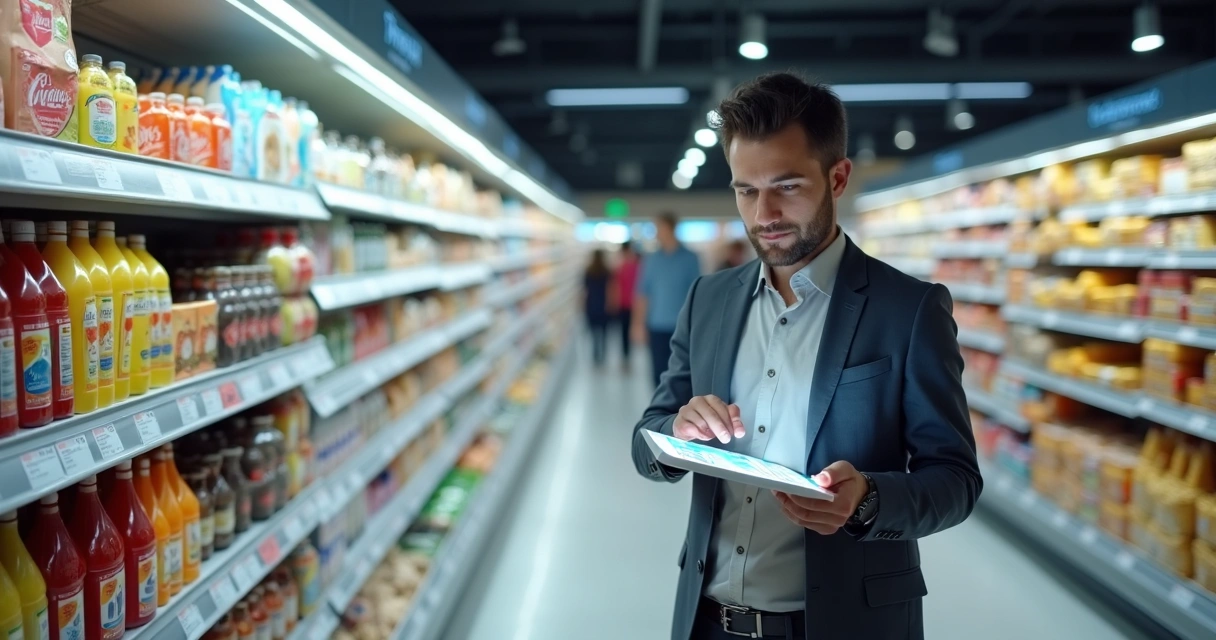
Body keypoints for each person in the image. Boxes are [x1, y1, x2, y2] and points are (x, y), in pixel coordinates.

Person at [630, 72, 981, 640]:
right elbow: (647, 439)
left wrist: (868, 500)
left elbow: (956, 481)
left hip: (845, 622)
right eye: (746, 190)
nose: (763, 212)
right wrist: (676, 432)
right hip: (709, 620)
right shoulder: (710, 298)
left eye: (787, 186)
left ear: (837, 177)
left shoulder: (908, 310)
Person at [632, 212, 701, 387]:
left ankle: (679, 412)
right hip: (656, 325)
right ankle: (660, 412)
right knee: (657, 374)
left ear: (670, 228)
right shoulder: (652, 260)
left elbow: (697, 294)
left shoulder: (690, 258)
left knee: (681, 374)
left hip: (682, 327)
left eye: (658, 228)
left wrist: (698, 325)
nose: (655, 233)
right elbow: (643, 294)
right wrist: (638, 324)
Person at [613, 242, 640, 368]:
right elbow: (616, 287)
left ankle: (627, 356)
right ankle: (626, 357)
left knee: (628, 332)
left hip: (633, 305)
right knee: (624, 332)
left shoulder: (636, 267)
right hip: (625, 305)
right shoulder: (623, 267)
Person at [583, 248, 612, 366]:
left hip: (591, 305)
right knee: (604, 333)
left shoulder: (588, 271)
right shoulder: (607, 271)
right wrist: (611, 304)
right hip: (603, 306)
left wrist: (582, 305)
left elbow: (585, 291)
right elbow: (610, 289)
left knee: (594, 333)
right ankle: (603, 355)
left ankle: (595, 355)